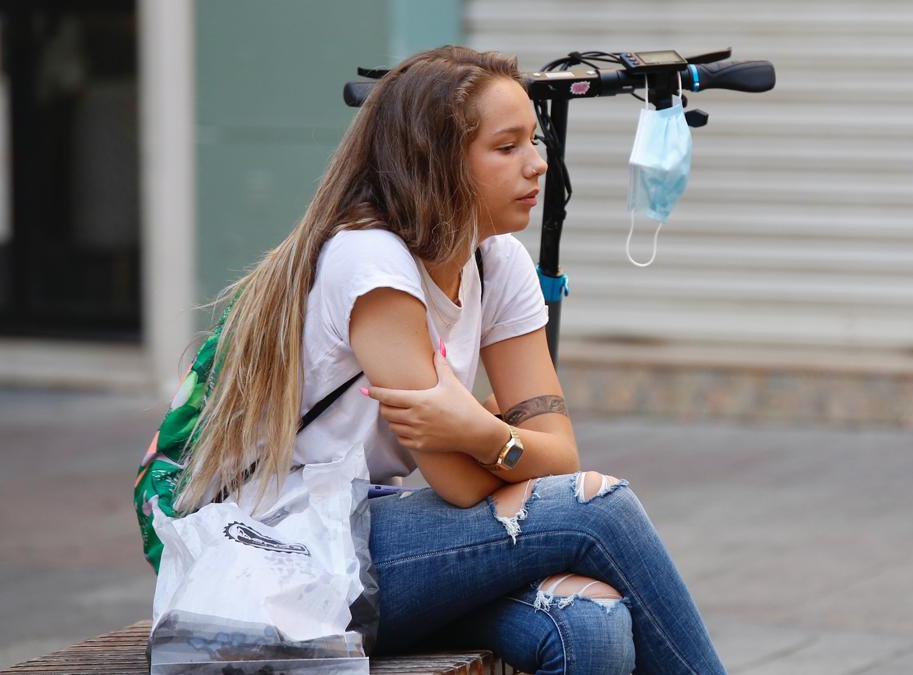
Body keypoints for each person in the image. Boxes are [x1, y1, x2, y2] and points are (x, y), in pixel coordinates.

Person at [172, 45, 726, 675]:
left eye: (534, 142)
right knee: (599, 509)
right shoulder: (371, 262)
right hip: (296, 546)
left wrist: (479, 431)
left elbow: (558, 451)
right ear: (437, 161)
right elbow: (461, 484)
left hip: (393, 542)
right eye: (507, 146)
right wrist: (497, 441)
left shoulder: (497, 260)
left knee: (590, 622)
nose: (538, 165)